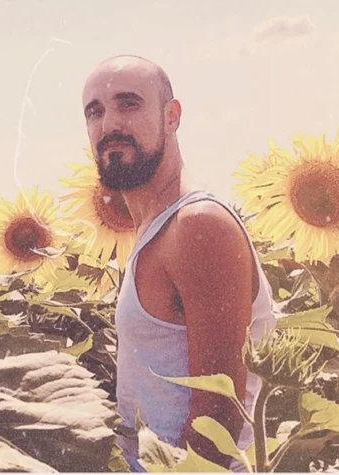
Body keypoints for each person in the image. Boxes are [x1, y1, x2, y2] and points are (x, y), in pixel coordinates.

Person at [81, 54, 277, 472]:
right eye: (95, 111)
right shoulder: (155, 228)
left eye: (128, 104)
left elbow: (218, 420)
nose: (109, 123)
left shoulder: (197, 226)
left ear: (172, 116)